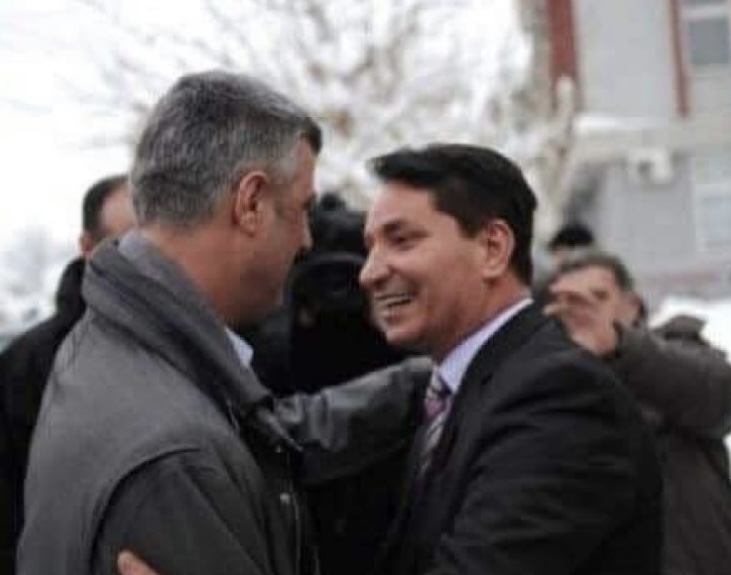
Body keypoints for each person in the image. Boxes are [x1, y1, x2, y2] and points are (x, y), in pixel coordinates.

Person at [17, 71, 428, 575]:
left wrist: (420, 383)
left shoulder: (121, 346)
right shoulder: (177, 457)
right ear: (250, 203)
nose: (306, 240)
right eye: (301, 210)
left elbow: (269, 434)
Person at [357, 144, 661, 575]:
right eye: (370, 247)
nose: (369, 272)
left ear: (492, 248)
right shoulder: (457, 389)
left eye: (401, 241)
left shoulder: (560, 397)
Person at [545, 249, 731, 575]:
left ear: (631, 305)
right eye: (569, 304)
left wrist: (617, 345)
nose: (584, 313)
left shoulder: (674, 347)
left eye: (597, 298)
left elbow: (718, 398)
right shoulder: (545, 386)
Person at [0, 173, 133, 574]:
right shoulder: (27, 365)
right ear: (87, 247)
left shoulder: (202, 344)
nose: (145, 263)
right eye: (126, 246)